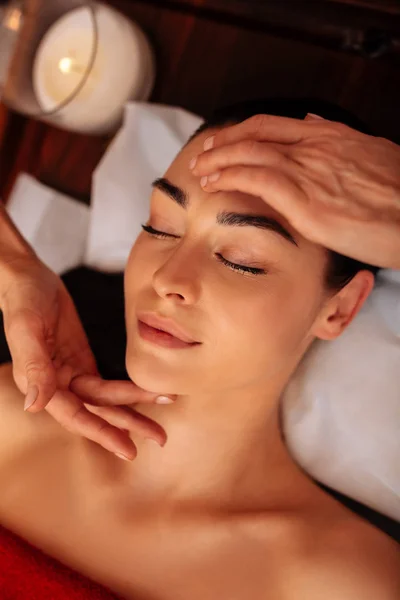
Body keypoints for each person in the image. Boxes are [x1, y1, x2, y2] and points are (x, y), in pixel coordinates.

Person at [0, 98, 399, 599]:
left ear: (339, 308)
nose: (169, 278)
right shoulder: (11, 418)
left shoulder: (333, 581)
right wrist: (13, 267)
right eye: (160, 227)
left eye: (242, 260)